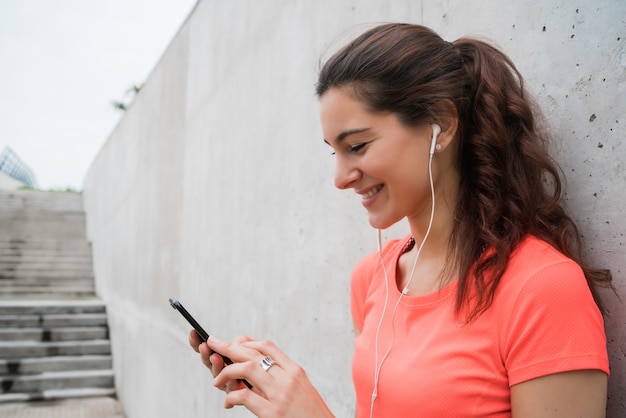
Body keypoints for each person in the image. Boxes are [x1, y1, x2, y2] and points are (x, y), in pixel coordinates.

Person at [189, 23, 613, 417]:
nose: (340, 178)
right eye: (333, 152)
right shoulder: (371, 277)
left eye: (357, 145)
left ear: (441, 125)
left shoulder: (542, 289)